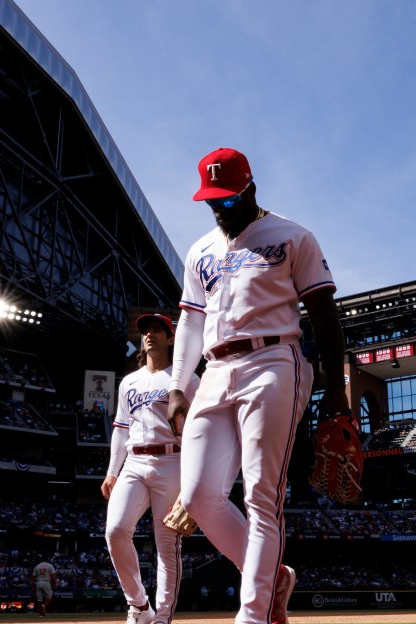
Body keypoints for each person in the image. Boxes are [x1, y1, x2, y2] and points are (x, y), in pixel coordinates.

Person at [167, 147, 348, 624]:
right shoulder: (199, 250)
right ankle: (272, 577)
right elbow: (188, 325)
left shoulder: (291, 236)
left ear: (250, 189)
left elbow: (326, 316)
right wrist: (177, 386)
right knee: (201, 497)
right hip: (213, 371)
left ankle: (253, 614)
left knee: (261, 496)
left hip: (274, 360)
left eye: (227, 198)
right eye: (211, 199)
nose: (218, 207)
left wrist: (336, 388)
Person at [103, 313, 200, 624]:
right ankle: (140, 606)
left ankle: (162, 619)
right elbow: (120, 428)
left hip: (173, 461)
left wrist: (193, 478)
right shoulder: (129, 382)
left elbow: (200, 431)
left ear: (171, 339)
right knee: (115, 530)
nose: (150, 335)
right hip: (133, 462)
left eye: (158, 330)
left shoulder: (187, 379)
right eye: (146, 331)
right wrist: (112, 470)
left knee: (167, 545)